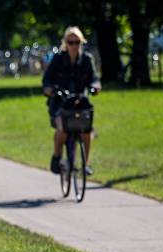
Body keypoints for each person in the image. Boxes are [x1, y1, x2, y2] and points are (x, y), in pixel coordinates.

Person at [42, 26, 101, 175]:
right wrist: (49, 88)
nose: (74, 45)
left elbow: (94, 79)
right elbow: (46, 80)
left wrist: (95, 87)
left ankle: (86, 164)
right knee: (62, 129)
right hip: (61, 103)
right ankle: (57, 156)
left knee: (86, 131)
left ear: (81, 43)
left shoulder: (87, 60)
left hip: (80, 103)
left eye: (77, 42)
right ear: (65, 43)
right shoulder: (58, 59)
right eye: (71, 42)